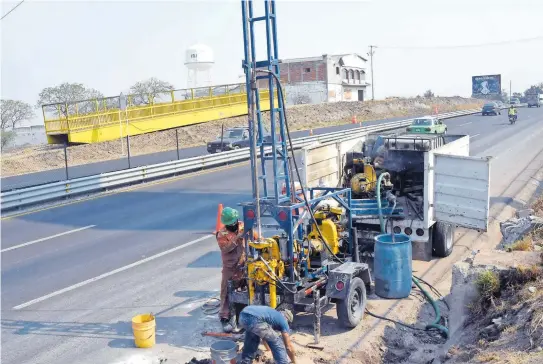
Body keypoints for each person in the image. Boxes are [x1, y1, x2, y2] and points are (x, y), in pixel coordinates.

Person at [216, 207, 246, 333]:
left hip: (243, 263)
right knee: (226, 291)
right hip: (230, 267)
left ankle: (244, 312)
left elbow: (255, 236)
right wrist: (236, 238)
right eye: (232, 223)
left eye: (235, 222)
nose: (235, 225)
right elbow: (225, 249)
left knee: (246, 287)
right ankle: (224, 316)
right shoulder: (221, 234)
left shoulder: (242, 226)